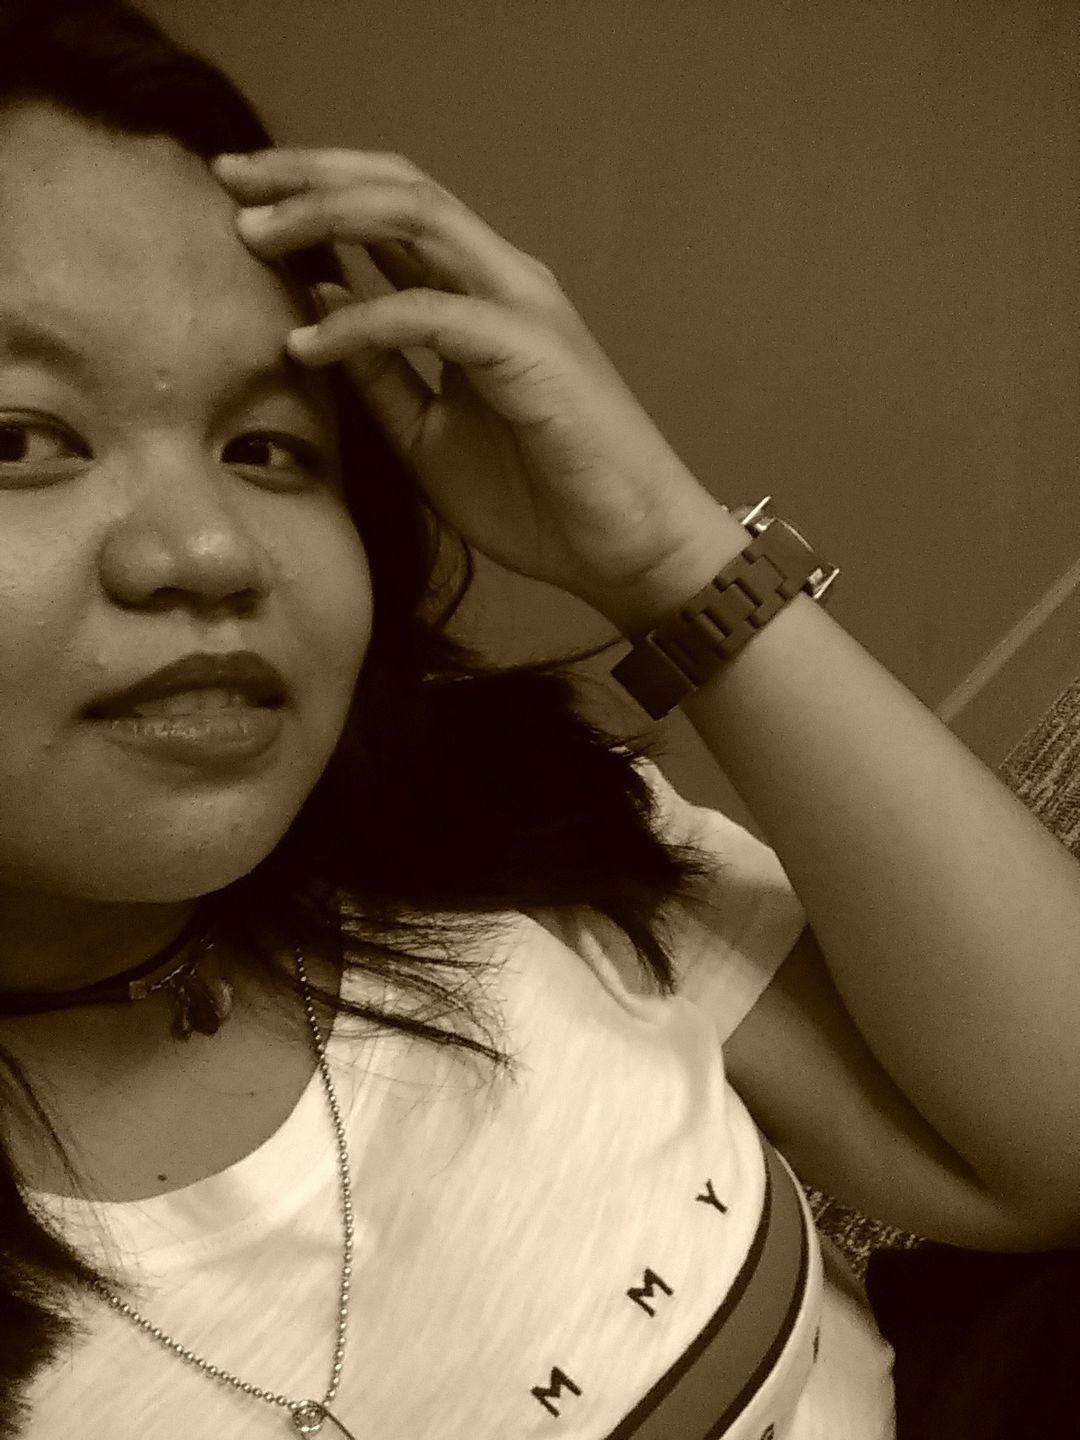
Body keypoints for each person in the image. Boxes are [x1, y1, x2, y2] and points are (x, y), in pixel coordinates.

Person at [0, 2, 1078, 1437]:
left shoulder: (490, 831)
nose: (209, 550)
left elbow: (1047, 1148)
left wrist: (667, 555)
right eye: (19, 438)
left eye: (266, 445)